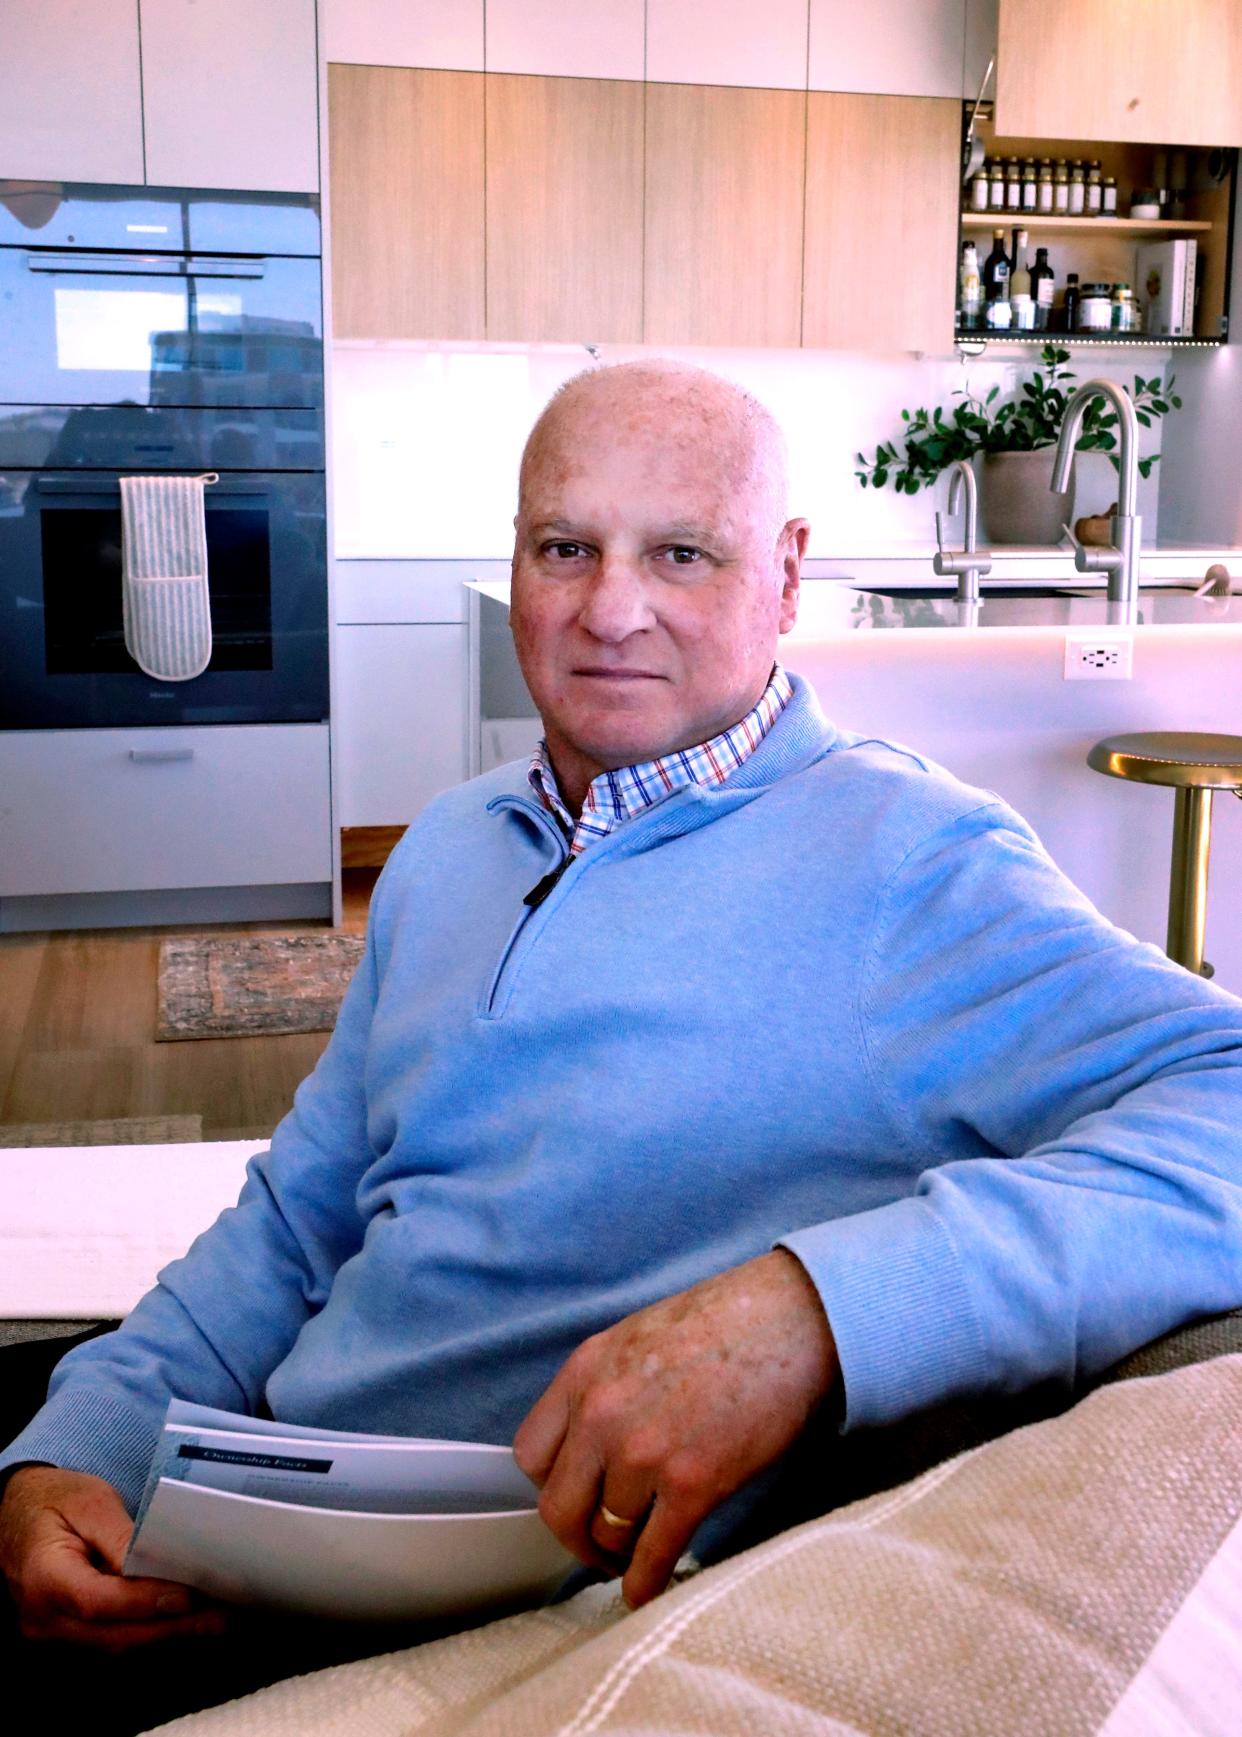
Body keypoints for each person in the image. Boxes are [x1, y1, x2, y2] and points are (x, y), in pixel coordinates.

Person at [2, 360, 1241, 1725]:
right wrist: (84, 1441)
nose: (608, 609)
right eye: (564, 547)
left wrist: (811, 1310)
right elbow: (294, 1222)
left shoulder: (907, 862)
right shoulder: (449, 845)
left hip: (424, 1616)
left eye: (680, 554)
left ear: (784, 574)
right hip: (221, 1510)